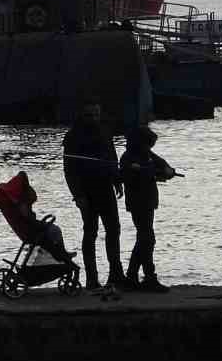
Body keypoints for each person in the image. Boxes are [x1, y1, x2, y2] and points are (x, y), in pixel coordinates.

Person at [63, 101, 127, 291]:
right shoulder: (73, 137)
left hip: (105, 187)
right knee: (90, 232)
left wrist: (117, 180)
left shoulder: (104, 131)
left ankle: (115, 274)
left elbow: (112, 157)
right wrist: (78, 195)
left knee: (114, 229)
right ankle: (92, 279)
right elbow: (69, 170)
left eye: (96, 114)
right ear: (82, 116)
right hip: (86, 191)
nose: (94, 118)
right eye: (90, 115)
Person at [121, 126, 178, 293]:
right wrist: (156, 171)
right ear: (139, 143)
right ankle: (147, 277)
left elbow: (160, 165)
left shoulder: (146, 155)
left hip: (148, 202)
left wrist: (167, 170)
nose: (150, 149)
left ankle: (133, 277)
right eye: (148, 145)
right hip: (138, 203)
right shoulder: (128, 158)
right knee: (147, 239)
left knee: (145, 239)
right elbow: (142, 173)